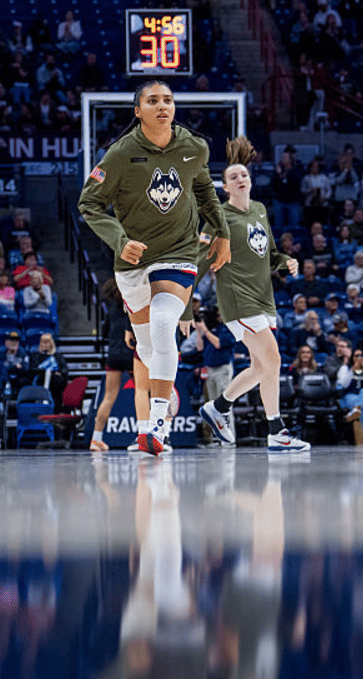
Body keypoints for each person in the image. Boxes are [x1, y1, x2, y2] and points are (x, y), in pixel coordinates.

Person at [78, 80, 231, 455]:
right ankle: (155, 410)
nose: (162, 106)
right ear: (137, 111)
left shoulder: (194, 147)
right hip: (132, 262)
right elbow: (89, 204)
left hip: (179, 252)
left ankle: (157, 425)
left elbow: (205, 190)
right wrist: (119, 240)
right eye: (152, 100)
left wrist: (222, 231)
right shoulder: (120, 153)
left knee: (164, 326)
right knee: (148, 346)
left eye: (168, 99)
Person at [181, 137, 307, 451]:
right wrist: (185, 306)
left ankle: (218, 407)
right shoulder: (218, 216)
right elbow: (198, 260)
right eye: (233, 177)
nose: (240, 179)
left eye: (244, 175)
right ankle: (276, 431)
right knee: (274, 359)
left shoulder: (261, 210)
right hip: (238, 298)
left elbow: (271, 254)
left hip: (264, 298)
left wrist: (286, 261)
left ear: (250, 181)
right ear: (225, 187)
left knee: (262, 366)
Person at [91, 278, 134, 451]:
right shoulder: (133, 304)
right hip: (131, 354)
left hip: (114, 355)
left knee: (108, 398)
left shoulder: (111, 309)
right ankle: (144, 437)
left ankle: (96, 439)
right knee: (142, 395)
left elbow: (104, 332)